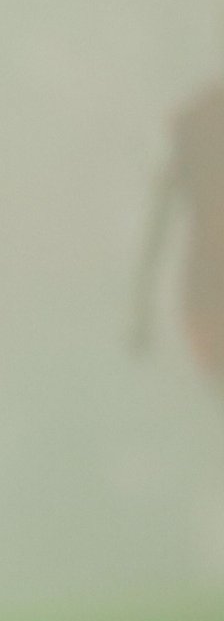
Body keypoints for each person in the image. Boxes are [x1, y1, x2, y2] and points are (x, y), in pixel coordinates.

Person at [132, 33, 224, 380]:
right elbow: (161, 216)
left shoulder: (197, 120)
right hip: (209, 297)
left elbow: (160, 218)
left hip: (205, 295)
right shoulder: (198, 122)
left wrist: (141, 305)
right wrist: (141, 305)